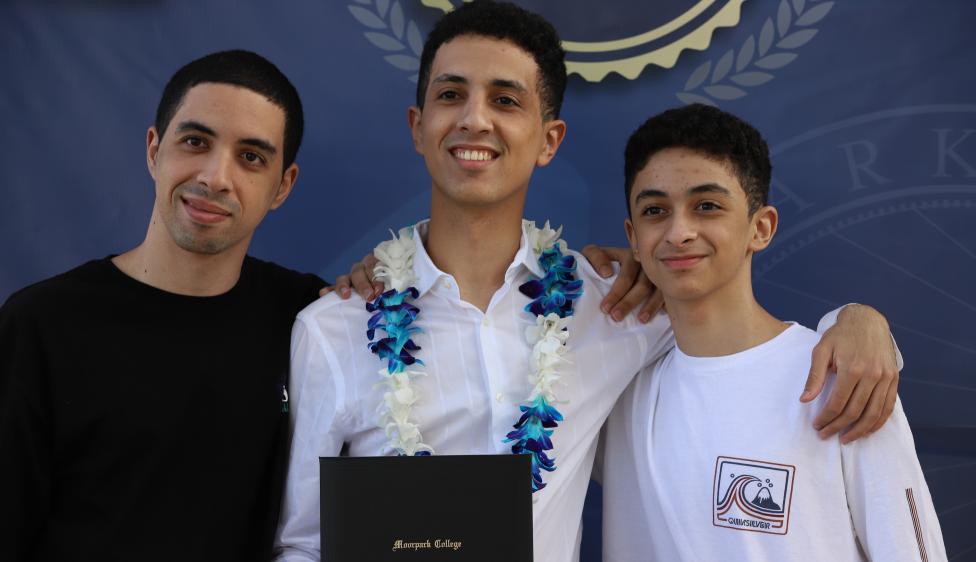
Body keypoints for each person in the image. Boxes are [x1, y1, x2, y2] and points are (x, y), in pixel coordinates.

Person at [274, 2, 900, 561]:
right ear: (418, 125)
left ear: (549, 140)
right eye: (450, 94)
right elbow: (302, 542)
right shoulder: (336, 326)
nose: (474, 119)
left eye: (506, 100)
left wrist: (860, 321)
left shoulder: (617, 306)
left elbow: (735, 339)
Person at [0, 50, 325, 561]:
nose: (216, 177)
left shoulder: (310, 320)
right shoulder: (42, 324)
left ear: (282, 186)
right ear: (154, 149)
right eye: (195, 142)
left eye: (251, 157)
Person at [601, 104, 946, 561]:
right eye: (655, 210)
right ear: (633, 237)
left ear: (760, 228)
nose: (678, 231)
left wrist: (861, 317)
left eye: (707, 206)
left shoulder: (841, 378)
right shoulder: (617, 390)